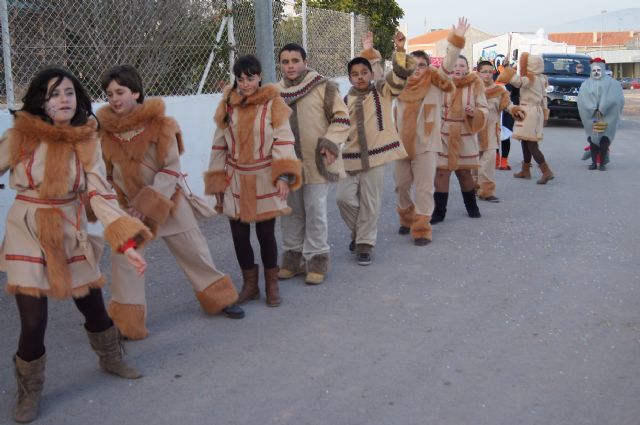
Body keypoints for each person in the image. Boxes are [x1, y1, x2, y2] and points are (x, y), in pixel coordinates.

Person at [0, 67, 151, 423]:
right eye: (54, 94)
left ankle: (111, 357)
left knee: (94, 309)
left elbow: (99, 193)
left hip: (70, 229)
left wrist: (126, 242)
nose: (63, 99)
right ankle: (29, 390)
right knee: (33, 323)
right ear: (41, 100)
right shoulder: (19, 135)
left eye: (69, 92)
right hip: (27, 228)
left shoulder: (87, 141)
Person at [97, 65, 244, 341]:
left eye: (120, 91)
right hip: (129, 212)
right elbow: (106, 174)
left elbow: (170, 168)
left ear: (136, 92)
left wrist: (147, 203)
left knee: (194, 251)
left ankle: (220, 298)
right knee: (125, 262)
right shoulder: (103, 134)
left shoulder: (162, 125)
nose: (115, 98)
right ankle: (127, 324)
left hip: (170, 203)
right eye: (109, 94)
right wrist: (119, 208)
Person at [206, 55, 302, 307]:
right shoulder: (228, 104)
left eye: (250, 78)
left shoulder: (273, 103)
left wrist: (283, 174)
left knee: (265, 234)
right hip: (235, 179)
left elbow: (283, 139)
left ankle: (272, 285)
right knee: (238, 235)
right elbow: (219, 144)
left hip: (264, 178)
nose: (245, 83)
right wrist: (217, 180)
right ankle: (250, 285)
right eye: (240, 79)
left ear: (259, 76)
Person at [337, 31, 415, 265]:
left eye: (364, 73)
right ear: (349, 78)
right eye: (355, 74)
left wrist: (400, 50)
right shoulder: (345, 100)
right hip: (350, 157)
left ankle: (365, 244)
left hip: (377, 156)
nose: (360, 77)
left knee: (371, 202)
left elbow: (400, 77)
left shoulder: (382, 91)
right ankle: (360, 234)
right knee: (343, 199)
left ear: (371, 74)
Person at [276, 43, 350, 285]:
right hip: (288, 165)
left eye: (295, 60)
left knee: (315, 211)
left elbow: (341, 117)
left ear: (305, 62)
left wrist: (330, 143)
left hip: (317, 162)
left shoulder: (323, 87)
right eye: (285, 62)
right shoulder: (274, 93)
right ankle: (293, 257)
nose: (290, 66)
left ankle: (317, 259)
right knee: (291, 212)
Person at [394, 17, 468, 245]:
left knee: (425, 189)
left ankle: (422, 228)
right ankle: (406, 218)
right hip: (401, 148)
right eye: (413, 65)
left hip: (426, 147)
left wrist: (456, 41)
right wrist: (398, 49)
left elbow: (449, 63)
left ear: (428, 68)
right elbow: (387, 72)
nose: (417, 69)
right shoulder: (400, 85)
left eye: (422, 65)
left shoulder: (435, 84)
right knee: (401, 187)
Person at [432, 55, 488, 223]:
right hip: (443, 133)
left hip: (465, 133)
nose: (458, 68)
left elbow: (484, 109)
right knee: (442, 172)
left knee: (464, 172)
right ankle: (439, 212)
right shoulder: (441, 83)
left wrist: (474, 113)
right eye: (455, 64)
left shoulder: (476, 84)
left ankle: (472, 207)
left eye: (462, 65)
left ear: (467, 68)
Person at [498, 53, 554, 184]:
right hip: (535, 111)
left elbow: (518, 82)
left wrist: (506, 68)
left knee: (532, 144)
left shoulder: (531, 78)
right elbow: (544, 98)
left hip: (529, 111)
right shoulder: (541, 78)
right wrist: (545, 114)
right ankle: (525, 170)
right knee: (525, 140)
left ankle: (546, 171)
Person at [476, 60, 524, 202]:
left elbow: (508, 105)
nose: (487, 74)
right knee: (474, 163)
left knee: (489, 162)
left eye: (490, 72)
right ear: (478, 73)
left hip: (491, 131)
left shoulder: (499, 91)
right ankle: (473, 187)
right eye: (484, 71)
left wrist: (516, 111)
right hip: (473, 131)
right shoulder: (471, 89)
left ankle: (486, 191)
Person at [577, 58, 624, 171]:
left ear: (602, 69)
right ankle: (594, 162)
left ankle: (602, 163)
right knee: (593, 140)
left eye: (598, 70)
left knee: (604, 139)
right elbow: (582, 99)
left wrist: (603, 107)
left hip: (608, 115)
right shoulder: (586, 84)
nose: (596, 72)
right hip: (591, 115)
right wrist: (592, 107)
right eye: (594, 70)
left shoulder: (612, 83)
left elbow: (616, 97)